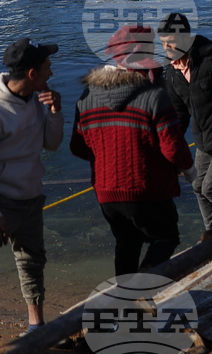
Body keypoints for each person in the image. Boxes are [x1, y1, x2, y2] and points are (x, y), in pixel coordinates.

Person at [70, 25, 194, 276]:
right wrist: (190, 170)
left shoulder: (86, 97)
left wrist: (107, 156)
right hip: (147, 188)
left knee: (127, 244)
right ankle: (141, 289)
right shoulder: (154, 95)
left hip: (106, 192)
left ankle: (124, 305)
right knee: (166, 238)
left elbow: (78, 147)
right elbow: (172, 148)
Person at [0, 38, 63, 335]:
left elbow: (52, 144)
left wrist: (55, 112)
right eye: (47, 68)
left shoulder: (40, 99)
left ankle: (36, 327)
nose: (51, 73)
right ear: (31, 74)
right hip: (3, 202)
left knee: (32, 262)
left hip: (31, 196)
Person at [158, 13, 212, 232]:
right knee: (197, 186)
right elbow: (179, 115)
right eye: (163, 43)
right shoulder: (172, 72)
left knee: (210, 188)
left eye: (170, 42)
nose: (166, 47)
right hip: (203, 139)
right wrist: (173, 151)